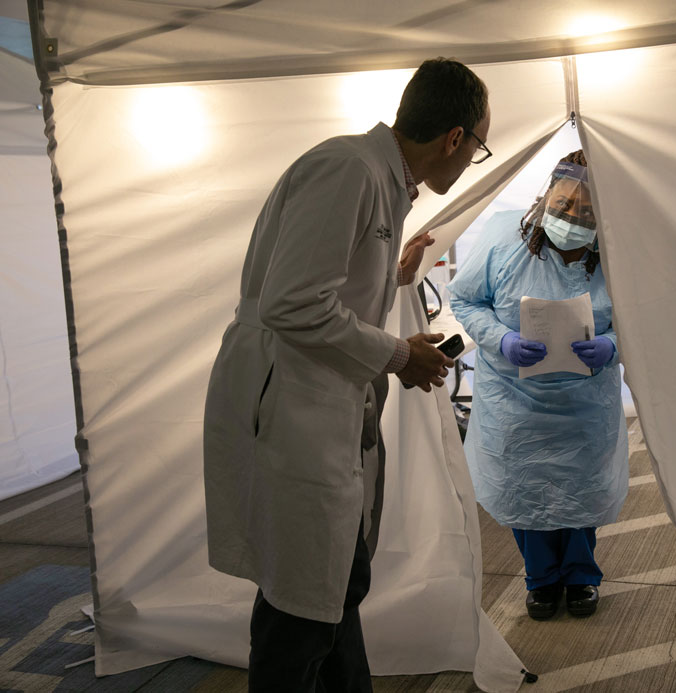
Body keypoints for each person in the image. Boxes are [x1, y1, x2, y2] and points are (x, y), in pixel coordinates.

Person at [202, 58, 491, 693]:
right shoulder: (349, 169)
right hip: (297, 403)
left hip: (319, 396)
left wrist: (393, 276)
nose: (472, 159)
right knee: (303, 598)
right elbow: (292, 303)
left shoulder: (378, 179)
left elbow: (321, 281)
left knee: (335, 581)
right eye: (478, 147)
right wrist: (397, 354)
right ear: (456, 138)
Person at [448, 150, 627, 620]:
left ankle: (582, 577)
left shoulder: (618, 249)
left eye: (587, 213)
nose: (572, 219)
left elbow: (646, 317)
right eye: (565, 206)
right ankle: (541, 579)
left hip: (583, 403)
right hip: (514, 401)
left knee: (580, 489)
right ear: (548, 194)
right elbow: (465, 299)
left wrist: (611, 343)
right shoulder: (504, 237)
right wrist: (501, 340)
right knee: (525, 490)